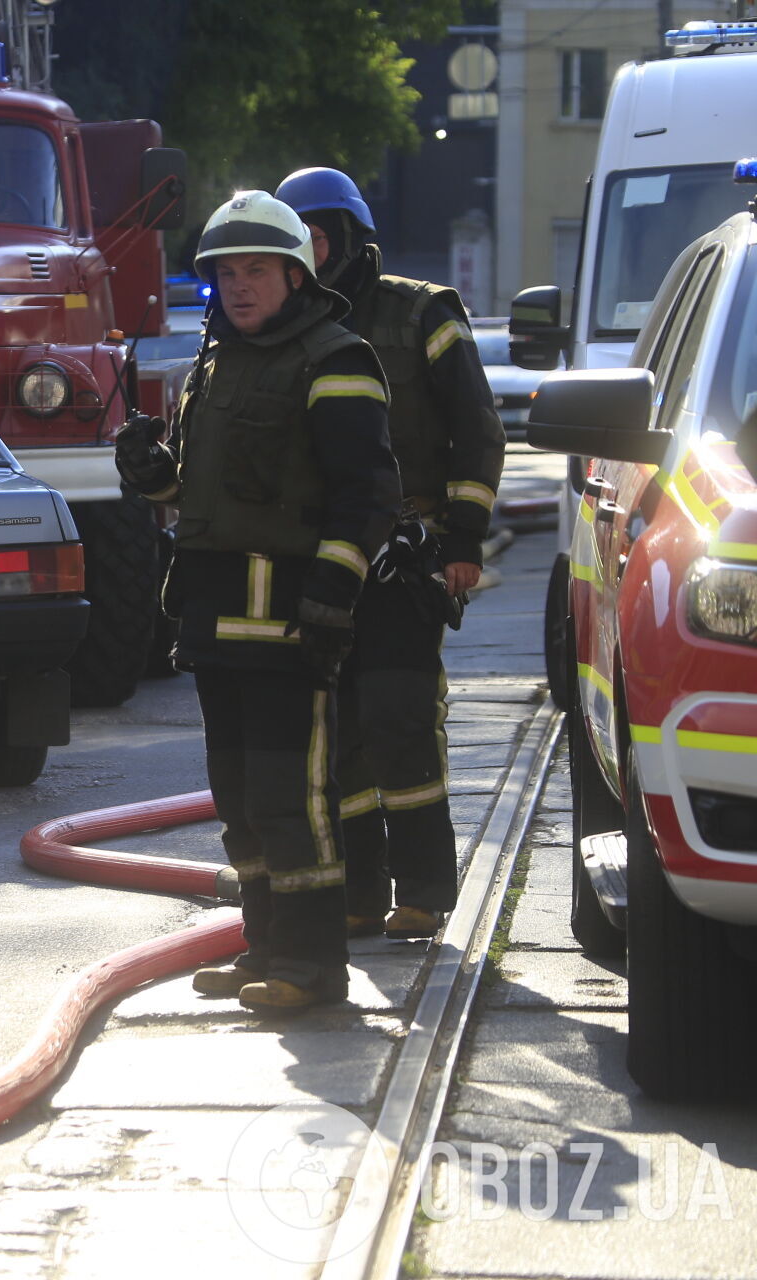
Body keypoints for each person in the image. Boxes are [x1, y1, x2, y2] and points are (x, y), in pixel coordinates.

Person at [114, 192, 400, 1013]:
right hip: (213, 620)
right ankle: (264, 947)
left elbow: (368, 497)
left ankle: (313, 967)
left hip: (290, 623)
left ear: (295, 273)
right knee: (239, 796)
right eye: (226, 273)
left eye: (257, 271)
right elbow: (200, 496)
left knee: (294, 798)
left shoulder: (336, 359)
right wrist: (151, 473)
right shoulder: (216, 362)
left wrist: (332, 598)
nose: (240, 287)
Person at [274, 168, 505, 942]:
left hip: (413, 551)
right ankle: (357, 895)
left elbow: (477, 428)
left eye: (315, 236)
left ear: (347, 235)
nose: (305, 254)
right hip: (322, 559)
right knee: (335, 734)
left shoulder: (421, 312)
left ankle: (425, 891)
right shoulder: (285, 327)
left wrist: (464, 542)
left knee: (397, 715)